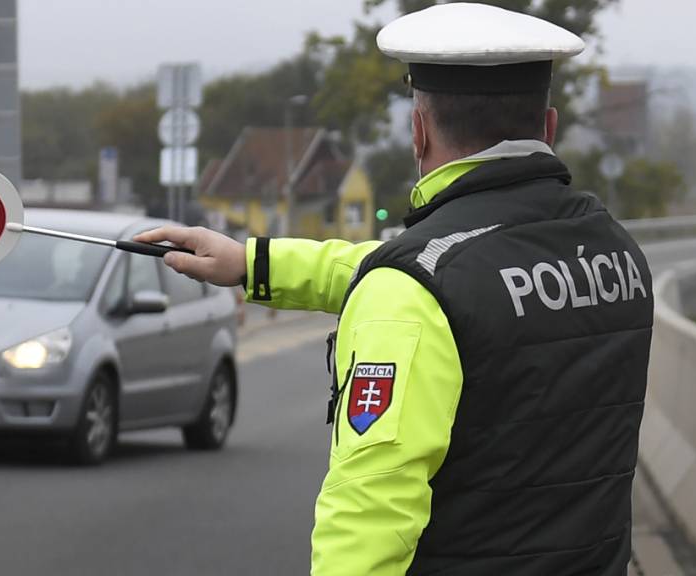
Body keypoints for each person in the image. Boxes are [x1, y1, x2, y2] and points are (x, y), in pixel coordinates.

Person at [136, 3, 654, 574]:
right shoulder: (614, 252)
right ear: (548, 127)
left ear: (419, 131)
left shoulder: (419, 287)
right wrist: (251, 263)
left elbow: (370, 515)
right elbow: (448, 277)